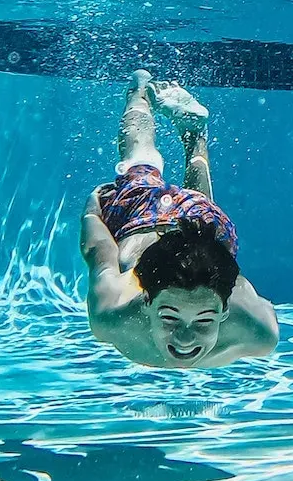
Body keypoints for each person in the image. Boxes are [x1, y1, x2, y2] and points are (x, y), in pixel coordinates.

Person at [81, 70, 278, 367]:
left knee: (145, 164)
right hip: (150, 216)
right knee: (142, 162)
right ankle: (154, 105)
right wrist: (92, 213)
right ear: (147, 302)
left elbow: (101, 256)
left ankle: (170, 115)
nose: (185, 339)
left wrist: (93, 214)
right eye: (170, 318)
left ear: (225, 310)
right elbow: (98, 253)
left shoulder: (258, 332)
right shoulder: (256, 332)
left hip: (170, 216)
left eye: (203, 322)